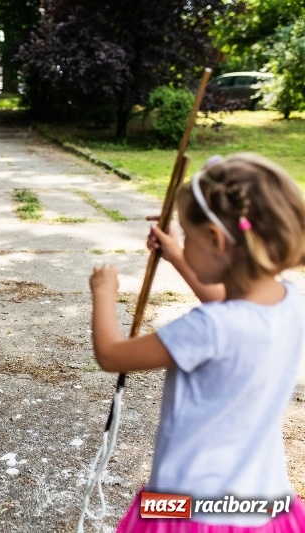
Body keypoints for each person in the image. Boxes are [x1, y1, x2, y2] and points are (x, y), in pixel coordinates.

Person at [90, 153, 305, 531]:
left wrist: (104, 292)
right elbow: (227, 304)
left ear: (215, 240)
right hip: (265, 502)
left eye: (187, 235)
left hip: (187, 507)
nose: (183, 242)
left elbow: (111, 354)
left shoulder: (207, 328)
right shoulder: (290, 302)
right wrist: (176, 254)